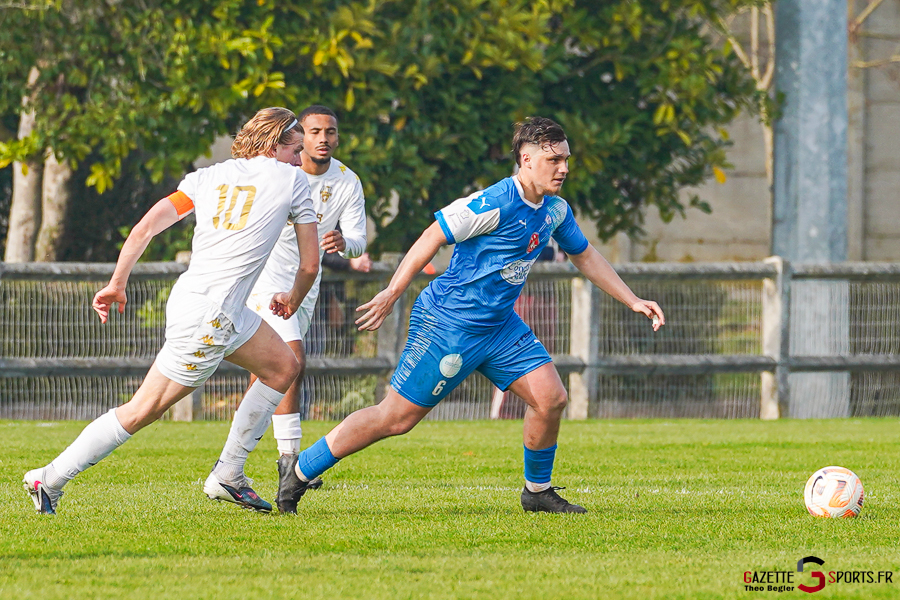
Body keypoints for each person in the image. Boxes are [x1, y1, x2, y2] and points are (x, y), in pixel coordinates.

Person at [278, 116, 666, 514]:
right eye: (554, 160)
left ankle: (536, 492)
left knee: (551, 398)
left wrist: (631, 299)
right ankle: (301, 470)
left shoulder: (555, 211)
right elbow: (432, 235)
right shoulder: (493, 203)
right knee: (395, 418)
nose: (564, 168)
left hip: (499, 326)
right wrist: (393, 291)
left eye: (566, 159)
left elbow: (583, 254)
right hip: (449, 324)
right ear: (526, 159)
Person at [23, 107, 320, 515]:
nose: (300, 159)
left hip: (200, 302)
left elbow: (145, 227)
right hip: (212, 317)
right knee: (143, 409)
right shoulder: (293, 180)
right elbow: (309, 265)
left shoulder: (206, 177)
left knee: (283, 367)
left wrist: (117, 282)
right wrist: (293, 297)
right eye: (296, 149)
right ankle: (50, 478)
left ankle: (230, 474)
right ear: (276, 144)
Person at [239, 104, 367, 513]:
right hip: (265, 278)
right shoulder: (280, 172)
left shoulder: (347, 182)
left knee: (269, 375)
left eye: (330, 131)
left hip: (305, 286)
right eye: (314, 132)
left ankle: (232, 465)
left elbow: (360, 240)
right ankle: (289, 463)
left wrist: (345, 243)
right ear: (301, 136)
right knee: (291, 361)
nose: (323, 139)